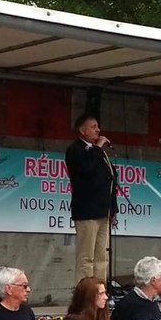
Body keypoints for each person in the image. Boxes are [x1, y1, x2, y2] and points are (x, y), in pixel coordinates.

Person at [65, 114, 118, 283]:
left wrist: (113, 208)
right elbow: (86, 169)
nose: (98, 130)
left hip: (103, 212)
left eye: (98, 126)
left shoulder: (99, 153)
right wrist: (98, 148)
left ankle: (99, 292)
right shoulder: (75, 150)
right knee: (86, 257)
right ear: (82, 130)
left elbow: (110, 180)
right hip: (87, 212)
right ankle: (85, 294)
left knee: (102, 256)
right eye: (93, 127)